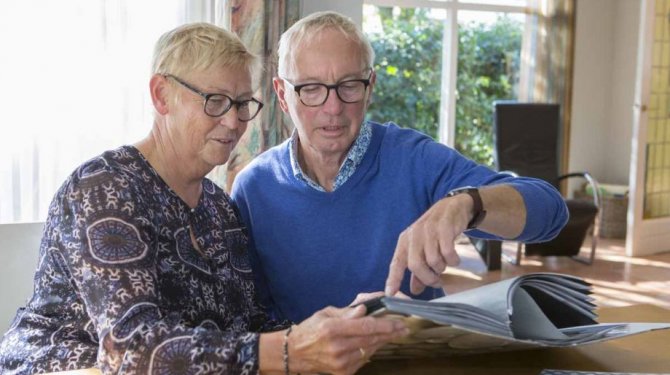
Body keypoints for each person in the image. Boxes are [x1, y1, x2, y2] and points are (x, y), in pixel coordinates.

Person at [0, 23, 407, 375]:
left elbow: (248, 326)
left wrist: (340, 323)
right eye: (214, 102)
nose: (233, 122)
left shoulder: (219, 208)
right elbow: (130, 349)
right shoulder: (104, 188)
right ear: (162, 95)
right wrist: (290, 349)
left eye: (243, 104)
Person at [230, 11, 569, 323]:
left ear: (371, 87)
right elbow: (251, 313)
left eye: (349, 86)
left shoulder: (415, 160)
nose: (332, 107)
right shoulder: (253, 188)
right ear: (282, 94)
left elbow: (550, 211)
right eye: (311, 89)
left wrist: (467, 204)